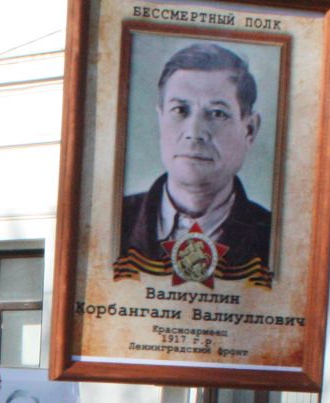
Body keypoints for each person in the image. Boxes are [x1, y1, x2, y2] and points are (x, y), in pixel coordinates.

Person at [116, 42, 273, 288]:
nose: (195, 132)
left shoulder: (277, 239)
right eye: (180, 110)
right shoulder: (113, 222)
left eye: (217, 113)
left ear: (249, 129)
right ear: (160, 120)